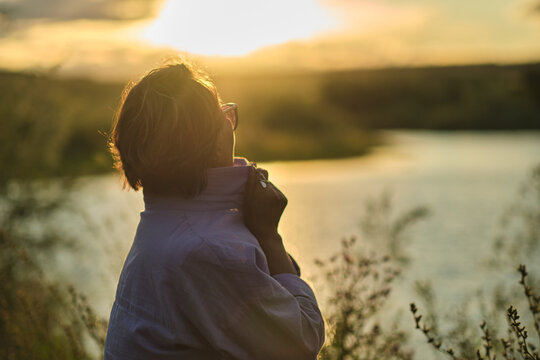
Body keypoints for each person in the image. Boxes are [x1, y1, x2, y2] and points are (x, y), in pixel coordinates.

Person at [103, 61, 325, 359]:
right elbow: (301, 343)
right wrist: (269, 236)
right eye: (223, 115)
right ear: (212, 143)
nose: (230, 123)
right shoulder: (209, 250)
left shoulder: (165, 223)